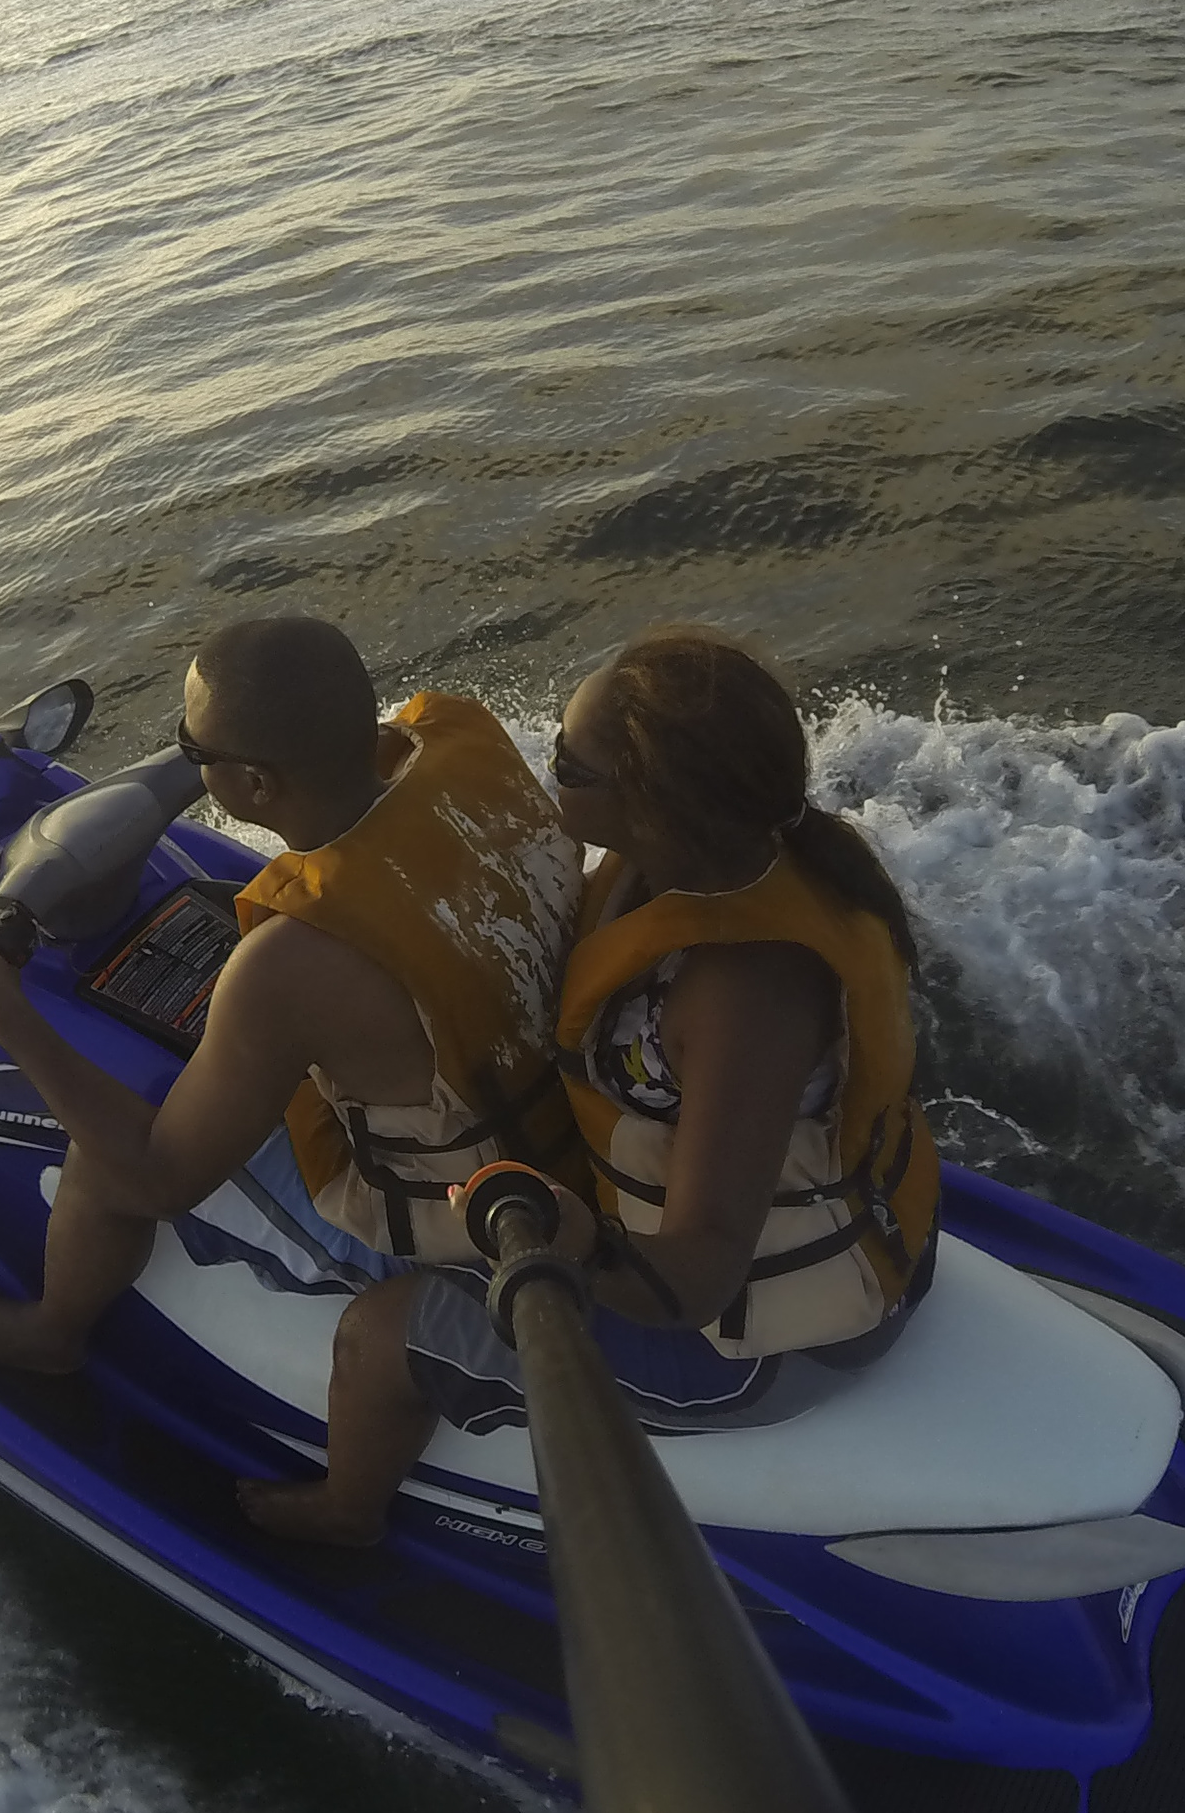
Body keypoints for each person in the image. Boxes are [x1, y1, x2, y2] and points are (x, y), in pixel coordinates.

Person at [243, 624, 941, 1546]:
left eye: (570, 766)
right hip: (761, 1225)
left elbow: (700, 1274)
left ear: (652, 803)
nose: (548, 771)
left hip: (757, 1344)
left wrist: (576, 1249)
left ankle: (344, 1518)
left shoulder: (744, 994)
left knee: (379, 1336)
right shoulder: (670, 869)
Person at [0, 613, 583, 1393]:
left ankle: (52, 1331)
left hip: (478, 1209)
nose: (186, 759)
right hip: (562, 1116)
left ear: (256, 786)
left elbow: (161, 1177)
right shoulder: (462, 753)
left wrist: (5, 1014)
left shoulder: (288, 966)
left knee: (104, 1160)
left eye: (194, 749)